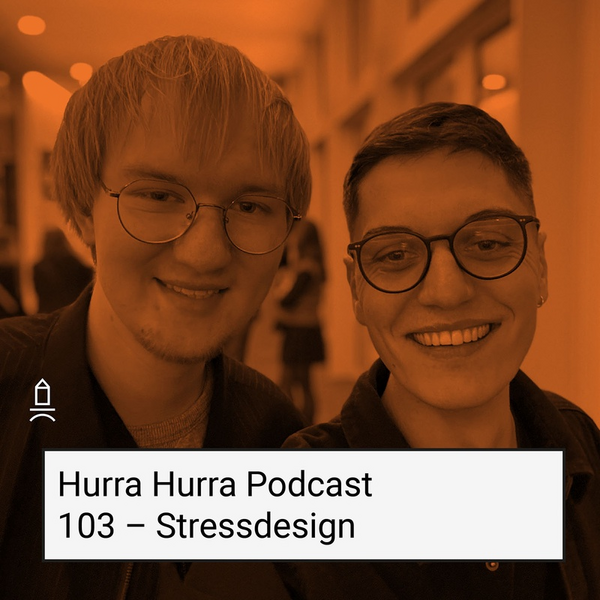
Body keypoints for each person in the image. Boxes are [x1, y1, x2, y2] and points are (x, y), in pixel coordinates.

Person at [0, 36, 311, 599]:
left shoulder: (280, 443)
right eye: (159, 196)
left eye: (249, 206)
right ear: (84, 210)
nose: (205, 253)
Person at [280, 103, 600, 599]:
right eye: (395, 254)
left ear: (539, 263)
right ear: (356, 289)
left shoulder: (581, 445)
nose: (446, 292)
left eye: (487, 243)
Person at [276, 219, 326, 423]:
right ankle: (303, 422)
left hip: (300, 330)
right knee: (302, 382)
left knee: (291, 381)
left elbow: (287, 300)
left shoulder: (307, 269)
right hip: (305, 329)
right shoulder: (312, 266)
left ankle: (295, 422)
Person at [34, 227, 94, 312]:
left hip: (47, 312)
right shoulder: (77, 265)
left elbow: (40, 294)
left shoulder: (39, 267)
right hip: (71, 311)